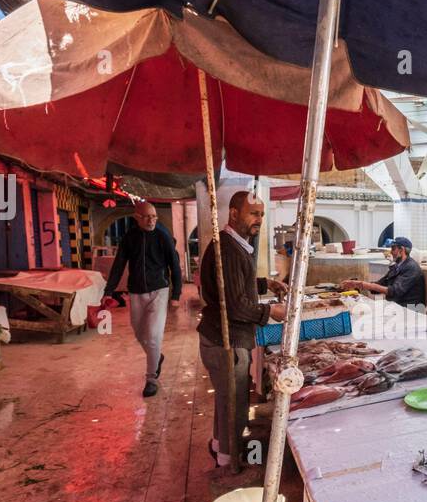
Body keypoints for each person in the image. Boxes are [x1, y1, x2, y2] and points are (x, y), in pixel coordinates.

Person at [199, 192, 288, 468]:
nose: (258, 220)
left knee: (226, 401)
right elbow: (236, 306)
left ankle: (218, 446)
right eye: (253, 213)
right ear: (234, 214)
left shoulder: (234, 246)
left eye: (261, 214)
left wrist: (264, 284)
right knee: (234, 406)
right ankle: (229, 464)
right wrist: (271, 311)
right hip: (225, 341)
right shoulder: (227, 249)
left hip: (220, 337)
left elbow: (236, 285)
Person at [101, 202, 181, 398]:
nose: (152, 220)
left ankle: (151, 378)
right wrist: (109, 291)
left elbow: (174, 264)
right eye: (147, 217)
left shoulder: (163, 236)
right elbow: (119, 264)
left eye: (154, 217)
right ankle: (157, 357)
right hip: (136, 292)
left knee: (153, 336)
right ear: (136, 217)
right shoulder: (129, 237)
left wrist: (176, 294)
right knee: (140, 334)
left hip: (159, 291)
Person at [339, 236, 425, 307]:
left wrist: (364, 284)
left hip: (408, 309)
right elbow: (381, 283)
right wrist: (356, 284)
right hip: (395, 306)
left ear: (401, 250)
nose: (391, 252)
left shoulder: (411, 268)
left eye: (393, 249)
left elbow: (394, 291)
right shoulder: (396, 266)